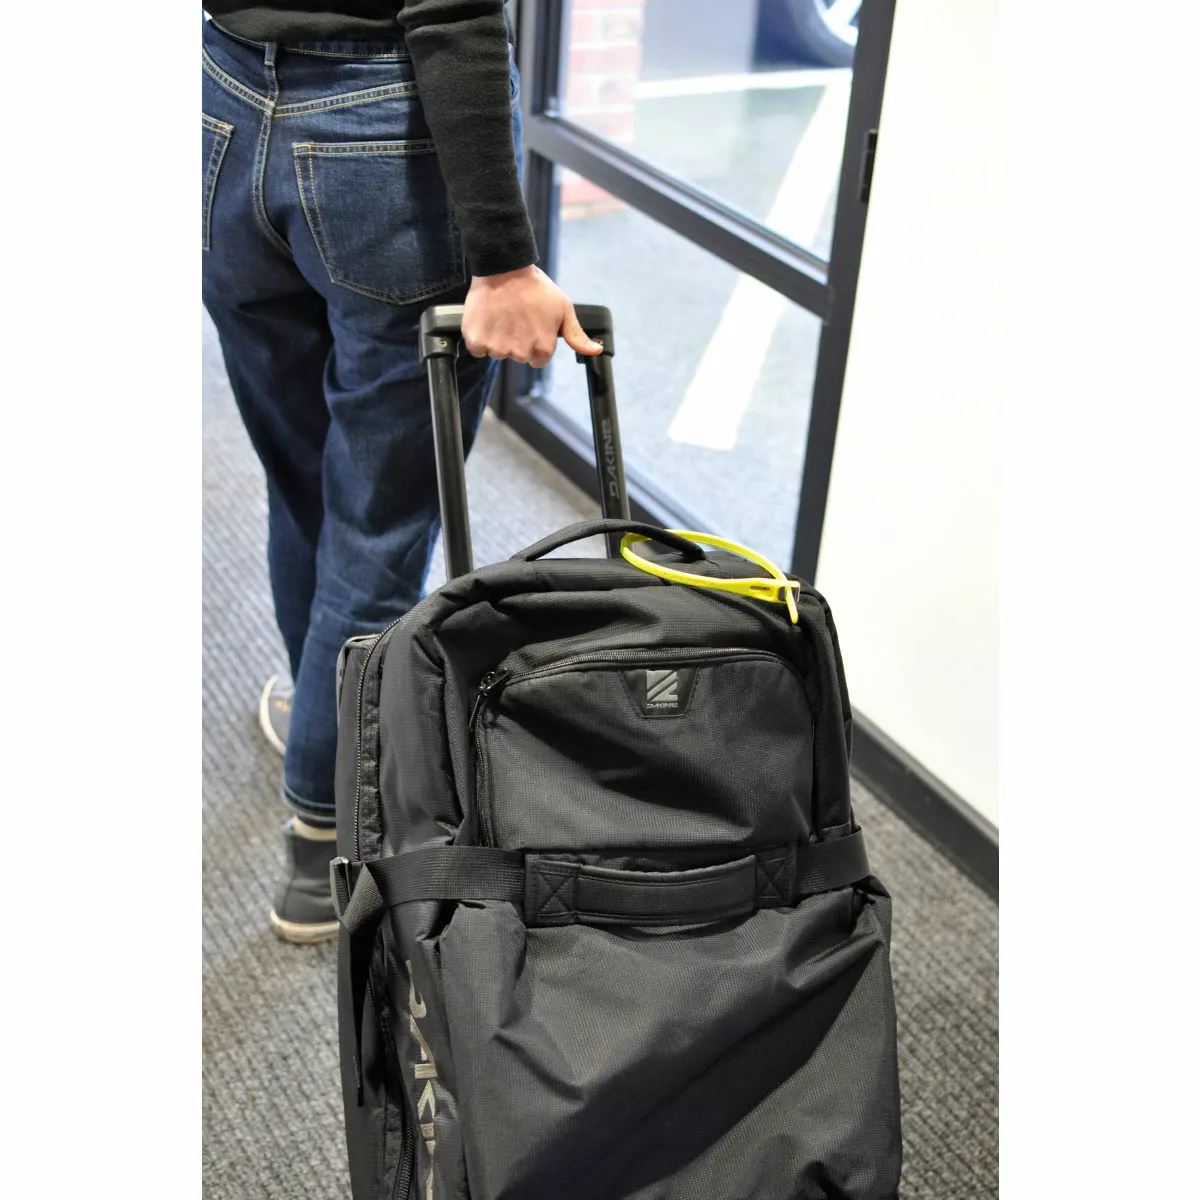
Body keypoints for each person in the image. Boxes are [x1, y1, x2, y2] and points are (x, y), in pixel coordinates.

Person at [202, 0, 602, 943]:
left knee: (305, 479)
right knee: (378, 520)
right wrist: (504, 263)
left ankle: (320, 705)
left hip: (220, 104)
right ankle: (324, 831)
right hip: (380, 129)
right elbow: (452, 8)